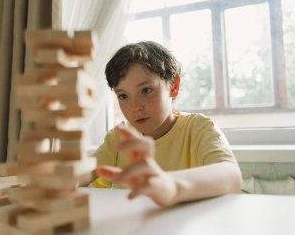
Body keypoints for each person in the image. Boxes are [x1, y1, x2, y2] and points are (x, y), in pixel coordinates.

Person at [91, 41, 242, 207]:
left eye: (146, 90)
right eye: (123, 96)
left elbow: (232, 177)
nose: (135, 107)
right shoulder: (118, 138)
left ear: (174, 86)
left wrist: (170, 186)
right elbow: (81, 174)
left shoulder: (198, 128)